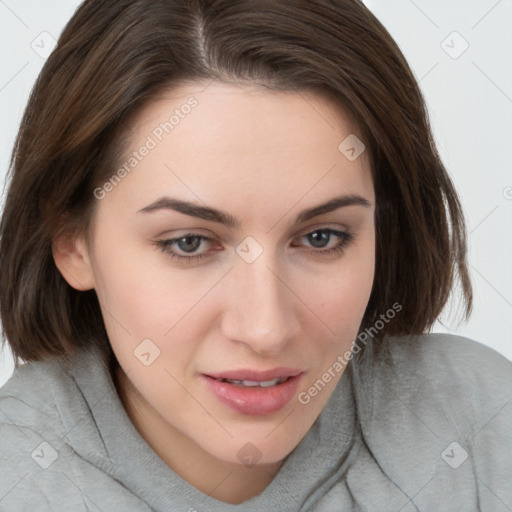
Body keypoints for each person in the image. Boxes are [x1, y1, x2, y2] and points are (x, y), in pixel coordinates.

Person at [0, 0, 510, 510]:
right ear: (71, 242)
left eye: (321, 237)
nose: (266, 330)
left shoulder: (481, 422)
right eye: (189, 243)